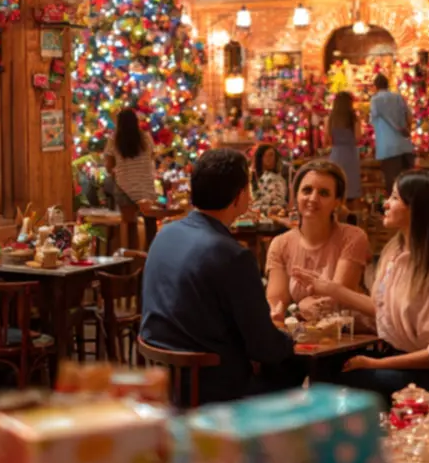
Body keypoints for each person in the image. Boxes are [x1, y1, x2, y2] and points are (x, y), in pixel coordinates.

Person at [292, 169, 429, 398]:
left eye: (395, 198)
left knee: (341, 379)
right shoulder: (394, 253)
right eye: (306, 191)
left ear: (417, 208)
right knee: (322, 365)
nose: (385, 204)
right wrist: (331, 290)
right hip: (395, 356)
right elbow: (383, 311)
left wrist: (377, 364)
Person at [140, 148, 300, 404]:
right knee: (292, 366)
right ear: (239, 196)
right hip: (213, 389)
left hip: (162, 380)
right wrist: (293, 335)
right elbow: (265, 347)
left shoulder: (165, 234)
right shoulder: (232, 255)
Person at [264, 160, 371, 324]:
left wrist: (297, 311)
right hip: (300, 336)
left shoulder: (353, 237)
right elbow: (276, 303)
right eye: (307, 190)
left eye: (324, 193)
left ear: (337, 201)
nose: (313, 198)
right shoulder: (280, 243)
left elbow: (335, 300)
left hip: (347, 336)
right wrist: (295, 310)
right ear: (296, 196)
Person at [103, 108, 160, 248]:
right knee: (150, 223)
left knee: (130, 226)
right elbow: (152, 156)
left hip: (124, 187)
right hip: (146, 187)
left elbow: (109, 166)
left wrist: (118, 171)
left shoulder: (114, 139)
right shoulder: (146, 137)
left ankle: (132, 258)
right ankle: (151, 253)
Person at [369, 73, 415, 193]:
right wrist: (406, 129)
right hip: (405, 146)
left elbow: (372, 121)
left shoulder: (375, 100)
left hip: (388, 149)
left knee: (393, 187)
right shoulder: (398, 97)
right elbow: (409, 117)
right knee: (407, 185)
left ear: (375, 86)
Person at [325, 92, 363, 208]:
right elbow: (358, 137)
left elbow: (327, 139)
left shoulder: (330, 118)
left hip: (336, 155)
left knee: (337, 188)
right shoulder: (353, 118)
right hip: (350, 155)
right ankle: (354, 220)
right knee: (352, 191)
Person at [250, 142, 288, 213]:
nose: (269, 159)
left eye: (271, 155)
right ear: (260, 158)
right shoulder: (255, 177)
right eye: (265, 155)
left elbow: (278, 204)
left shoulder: (276, 179)